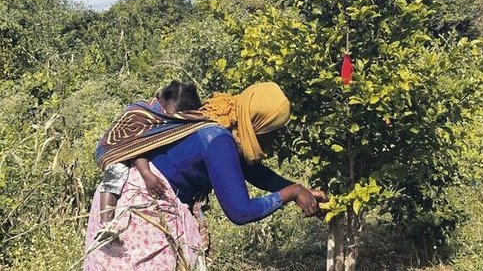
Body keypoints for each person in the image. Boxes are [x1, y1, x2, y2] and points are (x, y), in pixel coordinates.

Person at [84, 81, 327, 270]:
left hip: (152, 206)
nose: (275, 140)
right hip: (141, 212)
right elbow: (241, 212)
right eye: (273, 131)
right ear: (257, 123)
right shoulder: (218, 139)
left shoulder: (222, 125)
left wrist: (298, 190)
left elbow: (252, 171)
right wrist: (291, 193)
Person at [94, 81, 201, 241]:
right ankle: (106, 223)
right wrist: (146, 173)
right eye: (170, 113)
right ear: (164, 100)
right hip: (117, 149)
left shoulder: (167, 120)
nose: (170, 118)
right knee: (117, 172)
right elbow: (137, 144)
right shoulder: (142, 112)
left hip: (135, 150)